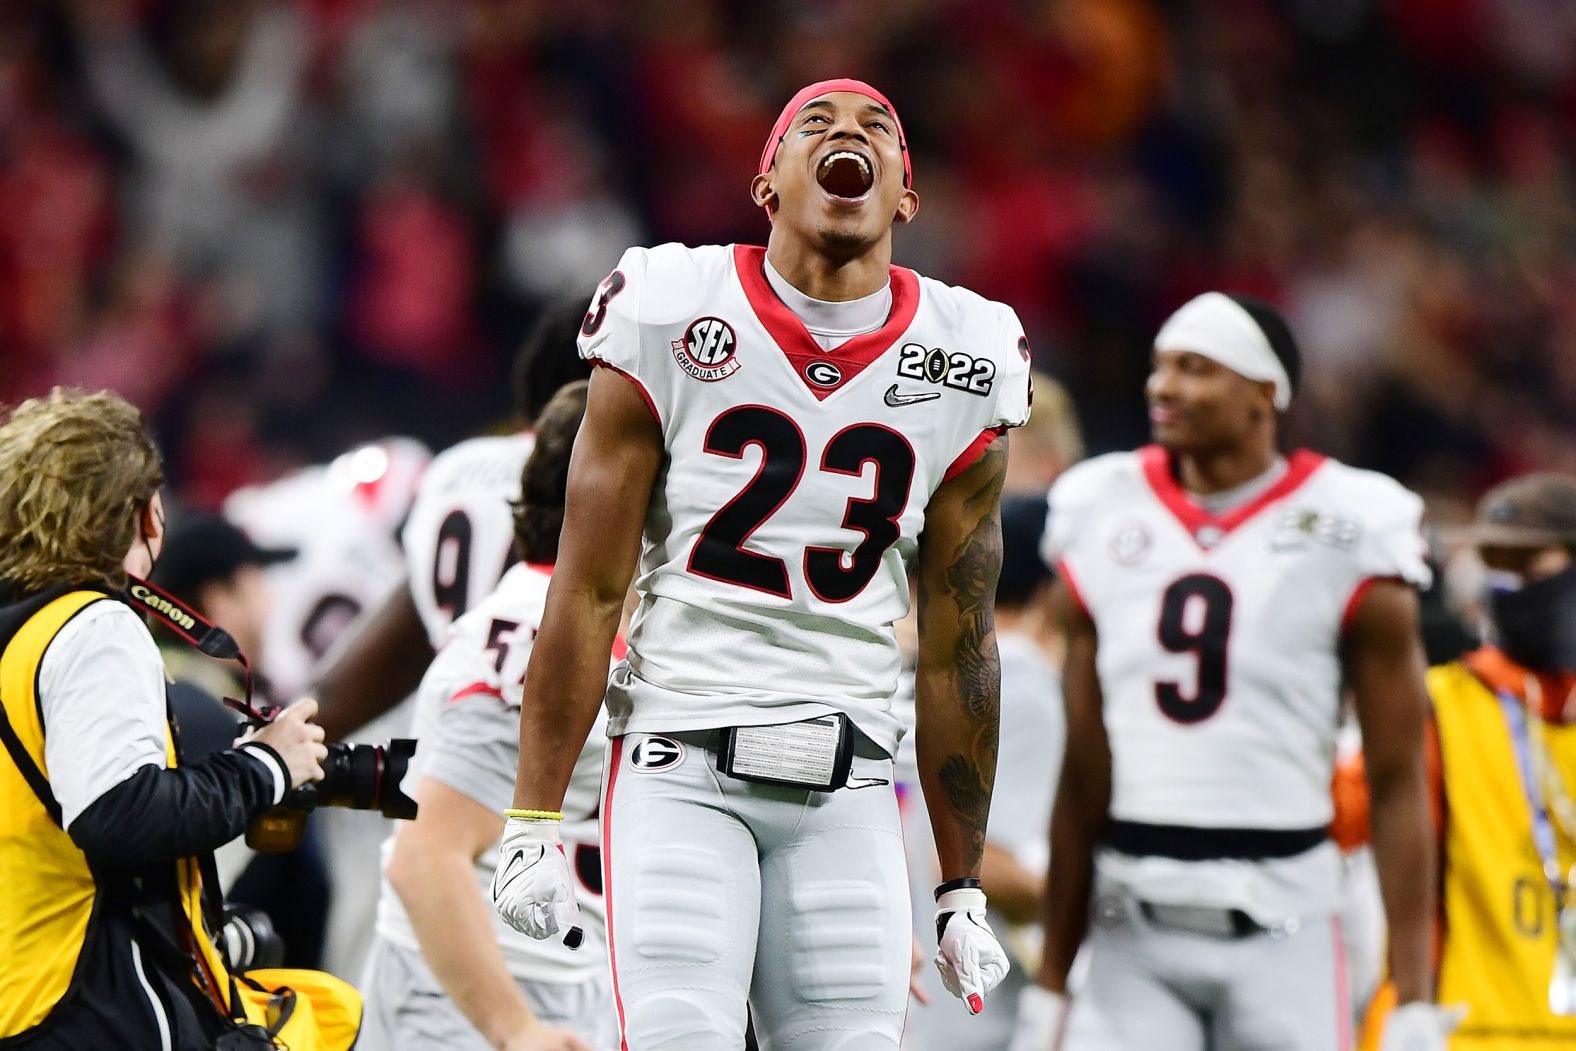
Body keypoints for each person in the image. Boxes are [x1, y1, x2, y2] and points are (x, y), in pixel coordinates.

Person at [490, 78, 1033, 1050]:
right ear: (766, 183)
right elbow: (587, 586)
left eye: (877, 127)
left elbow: (960, 641)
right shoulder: (668, 305)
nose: (847, 133)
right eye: (813, 124)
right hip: (680, 762)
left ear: (905, 195)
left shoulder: (967, 354)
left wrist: (959, 882)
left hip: (852, 784)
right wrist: (533, 812)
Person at [1015, 293, 1455, 1050]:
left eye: (1195, 368)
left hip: (1288, 918)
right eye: (1159, 366)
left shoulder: (1352, 522)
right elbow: (1082, 773)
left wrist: (1414, 994)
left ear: (1264, 395)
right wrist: (1053, 982)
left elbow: (1398, 775)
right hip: (1132, 916)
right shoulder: (1102, 506)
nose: (1163, 386)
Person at [0, 388, 344, 1049]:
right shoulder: (94, 622)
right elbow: (118, 813)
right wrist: (268, 764)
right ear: (142, 512)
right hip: (85, 1008)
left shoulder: (18, 635)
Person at [363, 382, 610, 1051]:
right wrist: (515, 1029)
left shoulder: (592, 620)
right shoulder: (534, 638)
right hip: (479, 998)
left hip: (563, 974)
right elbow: (424, 857)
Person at [1344, 472, 1576, 1050]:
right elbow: (1335, 814)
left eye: (1528, 566)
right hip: (1458, 1031)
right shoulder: (1434, 706)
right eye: (1492, 565)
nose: (1504, 586)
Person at [310, 299, 596, 742]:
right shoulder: (600, 474)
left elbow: (356, 676)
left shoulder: (454, 469)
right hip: (571, 751)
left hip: (452, 751)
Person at [909, 492, 1067, 1050]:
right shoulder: (1023, 687)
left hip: (897, 983)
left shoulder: (940, 673)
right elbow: (990, 865)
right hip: (961, 1007)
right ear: (1057, 591)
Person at [154, 511, 332, 971]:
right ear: (221, 599)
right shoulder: (217, 718)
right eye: (257, 584)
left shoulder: (135, 684)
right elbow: (295, 891)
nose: (270, 603)